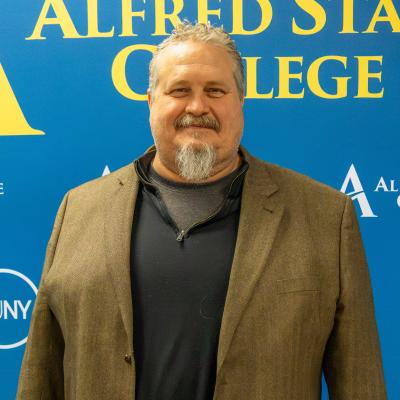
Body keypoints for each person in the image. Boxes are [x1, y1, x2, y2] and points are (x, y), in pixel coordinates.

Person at [17, 22, 387, 400]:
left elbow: (361, 383)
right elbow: (41, 373)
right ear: (151, 102)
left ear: (240, 102)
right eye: (180, 90)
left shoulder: (326, 216)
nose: (197, 107)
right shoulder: (78, 210)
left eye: (215, 91)